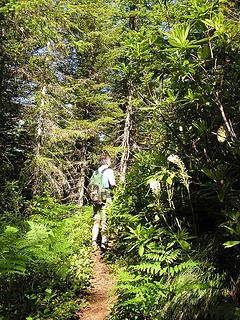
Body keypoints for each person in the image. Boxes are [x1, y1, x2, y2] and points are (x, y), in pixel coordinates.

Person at [92, 155, 116, 251]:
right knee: (105, 218)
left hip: (95, 197)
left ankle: (94, 241)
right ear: (107, 162)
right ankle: (104, 242)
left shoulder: (95, 172)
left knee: (96, 220)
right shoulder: (109, 171)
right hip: (105, 195)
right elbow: (113, 184)